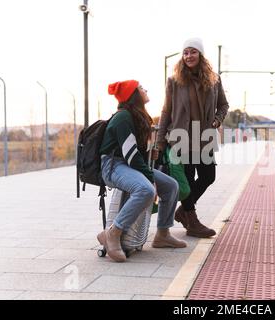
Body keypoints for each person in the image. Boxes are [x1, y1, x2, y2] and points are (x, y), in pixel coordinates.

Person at [98, 80, 187, 263]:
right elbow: (130, 154)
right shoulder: (122, 117)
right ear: (133, 95)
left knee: (171, 186)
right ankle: (113, 233)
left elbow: (133, 151)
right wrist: (150, 179)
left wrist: (148, 153)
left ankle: (162, 233)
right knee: (146, 189)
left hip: (127, 164)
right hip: (113, 166)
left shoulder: (135, 116)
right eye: (140, 88)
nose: (145, 89)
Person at [157, 38, 229, 238]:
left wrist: (217, 120)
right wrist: (160, 142)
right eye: (186, 52)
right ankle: (192, 220)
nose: (189, 56)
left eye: (193, 52)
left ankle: (183, 212)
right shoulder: (174, 81)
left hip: (205, 136)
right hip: (181, 138)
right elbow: (166, 111)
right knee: (186, 180)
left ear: (201, 55)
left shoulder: (214, 80)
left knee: (208, 176)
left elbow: (223, 105)